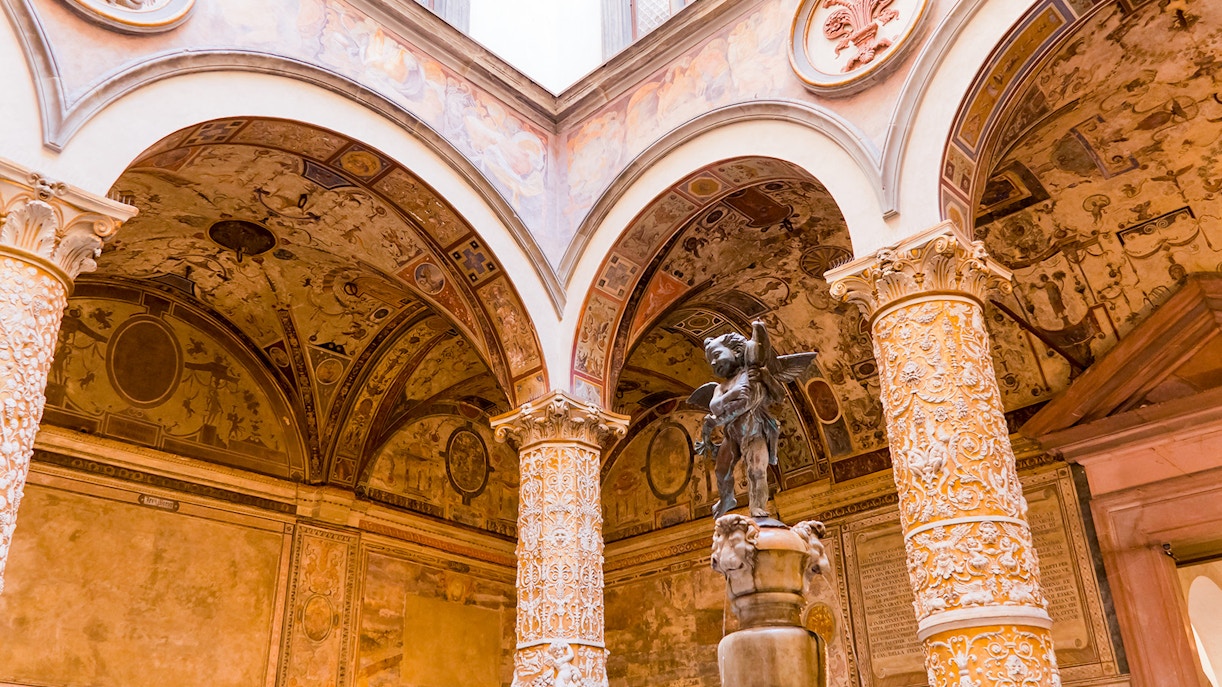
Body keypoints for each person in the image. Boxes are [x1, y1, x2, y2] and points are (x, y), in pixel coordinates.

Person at [689, 321, 816, 519]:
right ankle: (726, 499)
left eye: (716, 356)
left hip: (757, 430)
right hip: (732, 434)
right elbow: (715, 406)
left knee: (757, 470)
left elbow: (777, 395)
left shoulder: (753, 375)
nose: (713, 363)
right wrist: (732, 396)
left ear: (737, 352)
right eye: (710, 362)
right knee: (721, 470)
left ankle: (758, 506)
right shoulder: (720, 387)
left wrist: (766, 376)